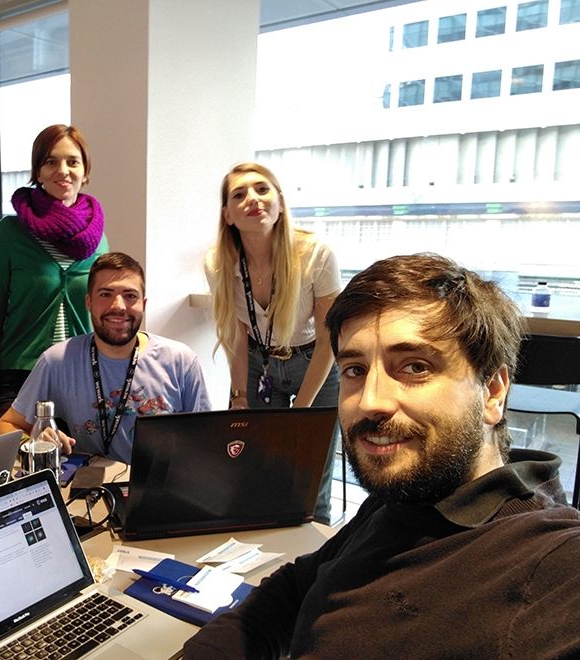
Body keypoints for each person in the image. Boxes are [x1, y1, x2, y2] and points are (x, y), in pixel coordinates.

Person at [184, 253, 580, 659]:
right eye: (355, 370)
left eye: (414, 367)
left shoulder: (550, 566)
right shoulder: (406, 496)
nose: (370, 402)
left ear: (493, 392)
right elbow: (294, 591)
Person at [205, 162, 341, 523]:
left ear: (280, 203)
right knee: (263, 468)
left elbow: (330, 339)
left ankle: (317, 561)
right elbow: (237, 334)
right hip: (259, 362)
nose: (252, 198)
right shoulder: (219, 263)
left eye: (262, 189)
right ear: (228, 215)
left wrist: (301, 413)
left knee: (312, 476)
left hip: (314, 360)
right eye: (239, 194)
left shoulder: (316, 254)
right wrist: (238, 397)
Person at [0, 252, 210, 463]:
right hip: (93, 488)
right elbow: (5, 427)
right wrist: (34, 442)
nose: (118, 306)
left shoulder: (181, 361)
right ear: (88, 302)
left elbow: (206, 440)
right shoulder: (58, 361)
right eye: (105, 294)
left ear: (143, 304)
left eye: (130, 295)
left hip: (162, 487)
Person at [0, 124, 108, 435]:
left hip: (80, 374)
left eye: (73, 161)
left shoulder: (98, 238)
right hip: (20, 374)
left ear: (85, 171)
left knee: (78, 467)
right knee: (20, 468)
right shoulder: (11, 232)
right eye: (51, 162)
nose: (63, 170)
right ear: (38, 171)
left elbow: (103, 310)